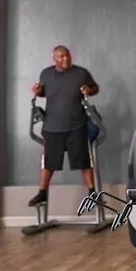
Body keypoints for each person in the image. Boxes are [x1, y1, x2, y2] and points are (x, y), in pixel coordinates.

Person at [29, 46, 99, 209]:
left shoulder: (81, 73)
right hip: (52, 126)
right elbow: (43, 93)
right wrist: (37, 91)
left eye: (67, 56)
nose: (65, 59)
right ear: (54, 59)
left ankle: (92, 193)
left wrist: (89, 89)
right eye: (61, 57)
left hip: (76, 125)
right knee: (48, 163)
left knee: (84, 160)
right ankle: (42, 193)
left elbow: (95, 88)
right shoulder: (46, 74)